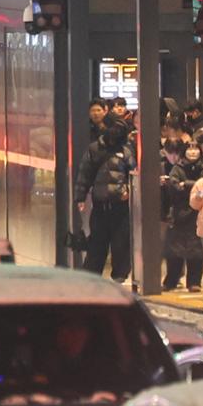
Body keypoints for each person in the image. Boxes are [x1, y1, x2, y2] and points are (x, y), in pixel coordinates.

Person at [75, 115, 134, 282]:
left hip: (120, 205)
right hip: (100, 204)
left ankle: (120, 276)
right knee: (97, 243)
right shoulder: (94, 149)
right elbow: (85, 174)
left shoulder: (126, 151)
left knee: (120, 243)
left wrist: (129, 190)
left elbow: (134, 174)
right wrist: (80, 197)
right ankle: (92, 276)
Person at [162, 139, 203, 291]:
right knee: (174, 251)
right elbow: (174, 187)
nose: (193, 152)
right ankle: (171, 281)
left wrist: (185, 185)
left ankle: (194, 282)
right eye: (190, 149)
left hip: (198, 213)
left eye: (196, 148)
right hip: (179, 214)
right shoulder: (177, 168)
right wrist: (194, 187)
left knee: (196, 251)